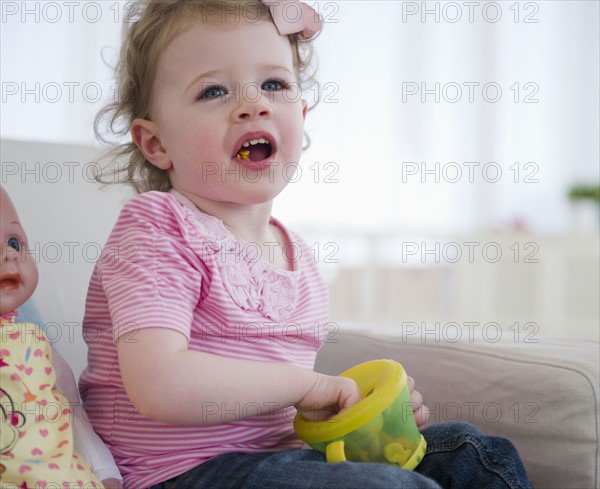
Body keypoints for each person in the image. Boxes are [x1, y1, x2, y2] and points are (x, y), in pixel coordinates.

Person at [78, 1, 533, 488]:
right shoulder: (157, 227)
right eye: (213, 90)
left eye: (274, 84)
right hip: (177, 475)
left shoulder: (299, 258)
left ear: (301, 112)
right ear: (156, 144)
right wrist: (306, 386)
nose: (254, 104)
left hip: (281, 466)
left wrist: (344, 415)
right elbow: (159, 386)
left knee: (474, 455)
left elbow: (273, 421)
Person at [0, 186, 123, 488]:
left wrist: (107, 474)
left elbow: (72, 412)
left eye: (14, 242)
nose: (9, 255)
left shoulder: (38, 347)